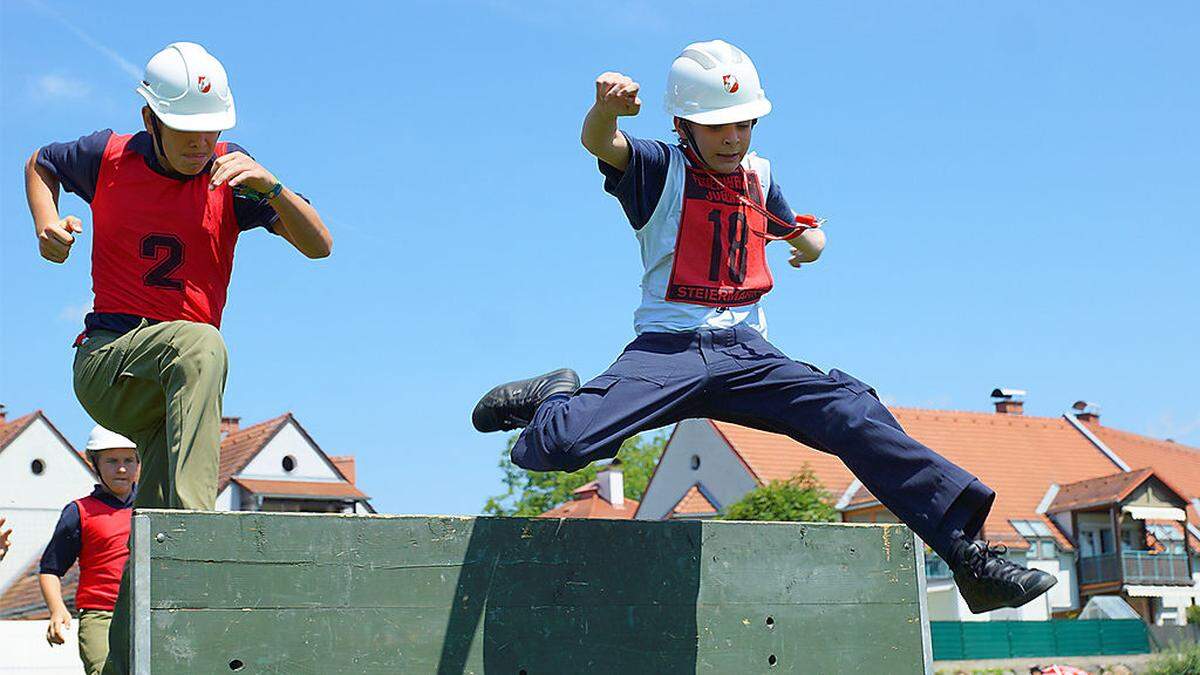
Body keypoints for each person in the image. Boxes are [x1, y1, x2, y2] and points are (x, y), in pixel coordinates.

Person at [473, 39, 1056, 613]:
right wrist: (606, 111)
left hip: (748, 356)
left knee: (852, 412)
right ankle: (552, 396)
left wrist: (811, 242)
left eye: (744, 124)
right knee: (568, 444)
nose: (732, 138)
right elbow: (599, 142)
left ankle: (970, 559)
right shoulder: (656, 168)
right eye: (718, 127)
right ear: (684, 125)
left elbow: (785, 224)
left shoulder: (757, 175)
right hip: (668, 351)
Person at [23, 41, 332, 674]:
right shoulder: (107, 156)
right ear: (150, 122)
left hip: (174, 389)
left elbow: (319, 245)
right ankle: (198, 541)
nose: (202, 143)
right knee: (201, 342)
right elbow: (40, 161)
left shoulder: (235, 174)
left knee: (152, 528)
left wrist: (273, 191)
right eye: (187, 130)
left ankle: (143, 634)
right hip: (109, 360)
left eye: (213, 129)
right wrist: (46, 222)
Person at [39, 426, 139, 675]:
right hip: (101, 615)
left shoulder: (154, 505)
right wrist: (57, 609)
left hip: (147, 612)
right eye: (112, 461)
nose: (122, 468)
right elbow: (50, 569)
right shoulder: (78, 512)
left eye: (129, 460)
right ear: (94, 464)